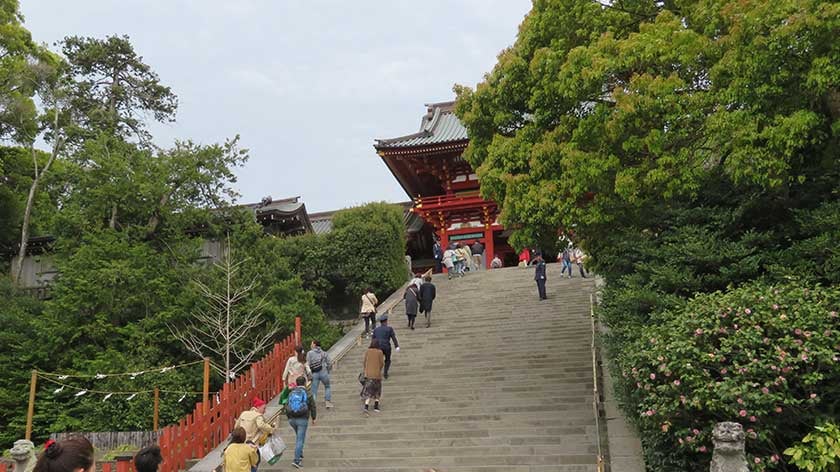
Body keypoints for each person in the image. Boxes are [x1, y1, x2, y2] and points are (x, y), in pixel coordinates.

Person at [285, 375, 316, 469]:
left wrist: (289, 417)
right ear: (305, 383)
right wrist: (314, 417)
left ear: (297, 383)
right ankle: (296, 460)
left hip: (291, 419)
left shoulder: (291, 393)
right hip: (302, 419)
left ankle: (300, 453)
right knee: (300, 439)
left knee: (299, 437)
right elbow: (312, 405)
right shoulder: (307, 392)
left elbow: (286, 405)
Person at [361, 338, 385, 414]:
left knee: (368, 391)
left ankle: (366, 406)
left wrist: (366, 370)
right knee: (377, 390)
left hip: (368, 375)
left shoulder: (368, 351)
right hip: (377, 375)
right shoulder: (380, 352)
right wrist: (378, 369)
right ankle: (376, 406)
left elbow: (364, 362)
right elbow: (382, 363)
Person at [307, 339, 333, 409]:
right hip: (324, 372)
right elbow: (329, 363)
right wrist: (328, 370)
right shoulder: (324, 353)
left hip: (314, 373)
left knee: (314, 390)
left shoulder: (310, 353)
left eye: (311, 343)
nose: (311, 345)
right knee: (327, 386)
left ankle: (313, 404)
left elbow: (308, 364)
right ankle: (327, 402)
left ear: (314, 345)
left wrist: (308, 373)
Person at [372, 314, 400, 379]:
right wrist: (396, 346)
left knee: (378, 360)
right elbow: (393, 338)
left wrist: (372, 348)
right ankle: (385, 372)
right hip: (386, 346)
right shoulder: (389, 329)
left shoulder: (376, 330)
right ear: (386, 321)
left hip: (378, 347)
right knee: (387, 360)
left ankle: (377, 372)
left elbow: (373, 340)